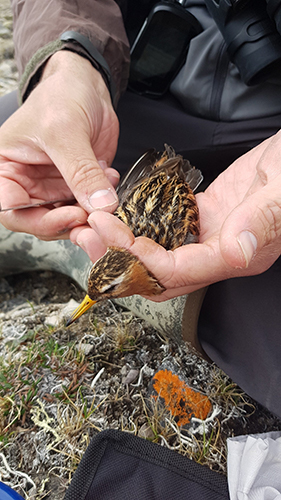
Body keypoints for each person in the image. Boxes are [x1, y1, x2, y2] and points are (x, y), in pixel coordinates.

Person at [0, 0, 281, 417]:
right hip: (145, 90)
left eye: (104, 291)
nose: (87, 307)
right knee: (13, 145)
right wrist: (71, 62)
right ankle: (72, 250)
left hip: (267, 123)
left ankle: (77, 256)